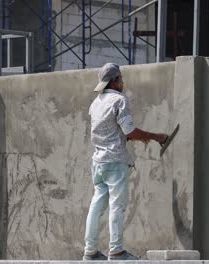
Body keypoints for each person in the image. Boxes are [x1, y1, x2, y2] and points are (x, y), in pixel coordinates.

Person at [83, 63, 168, 261]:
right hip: (115, 161)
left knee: (96, 205)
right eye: (120, 78)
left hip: (98, 162)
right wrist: (155, 136)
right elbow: (129, 131)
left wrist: (131, 137)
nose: (122, 82)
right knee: (117, 206)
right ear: (115, 81)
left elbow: (110, 131)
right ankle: (117, 250)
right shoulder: (119, 100)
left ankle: (90, 251)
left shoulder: (96, 103)